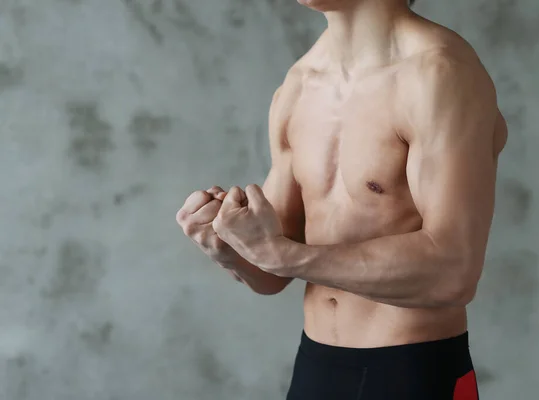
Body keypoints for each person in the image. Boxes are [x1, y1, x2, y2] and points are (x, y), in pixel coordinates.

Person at [176, 0, 507, 398]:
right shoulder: (299, 84)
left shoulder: (439, 74)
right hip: (317, 368)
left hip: (413, 373)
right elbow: (272, 273)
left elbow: (453, 272)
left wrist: (282, 255)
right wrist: (227, 245)